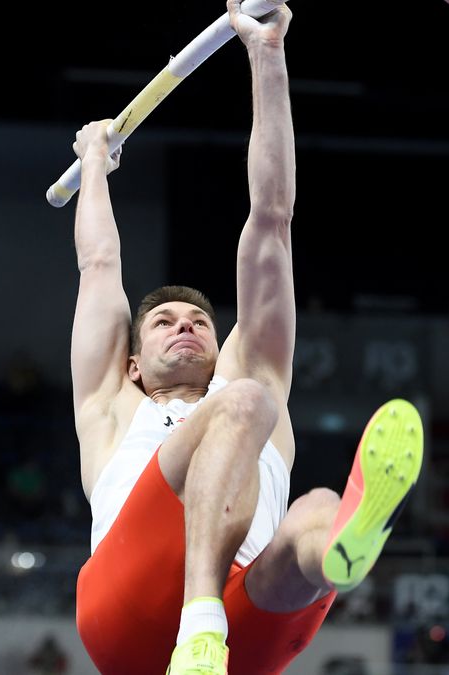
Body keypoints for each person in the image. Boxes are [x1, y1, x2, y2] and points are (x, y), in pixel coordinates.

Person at [67, 2, 424, 673]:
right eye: (166, 321)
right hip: (129, 608)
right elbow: (99, 266)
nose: (187, 326)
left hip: (242, 632)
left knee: (315, 510)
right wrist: (94, 166)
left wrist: (267, 55)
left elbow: (272, 217)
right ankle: (197, 618)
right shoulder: (112, 406)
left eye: (199, 319)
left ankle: (341, 547)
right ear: (135, 363)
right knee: (247, 404)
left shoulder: (246, 367)